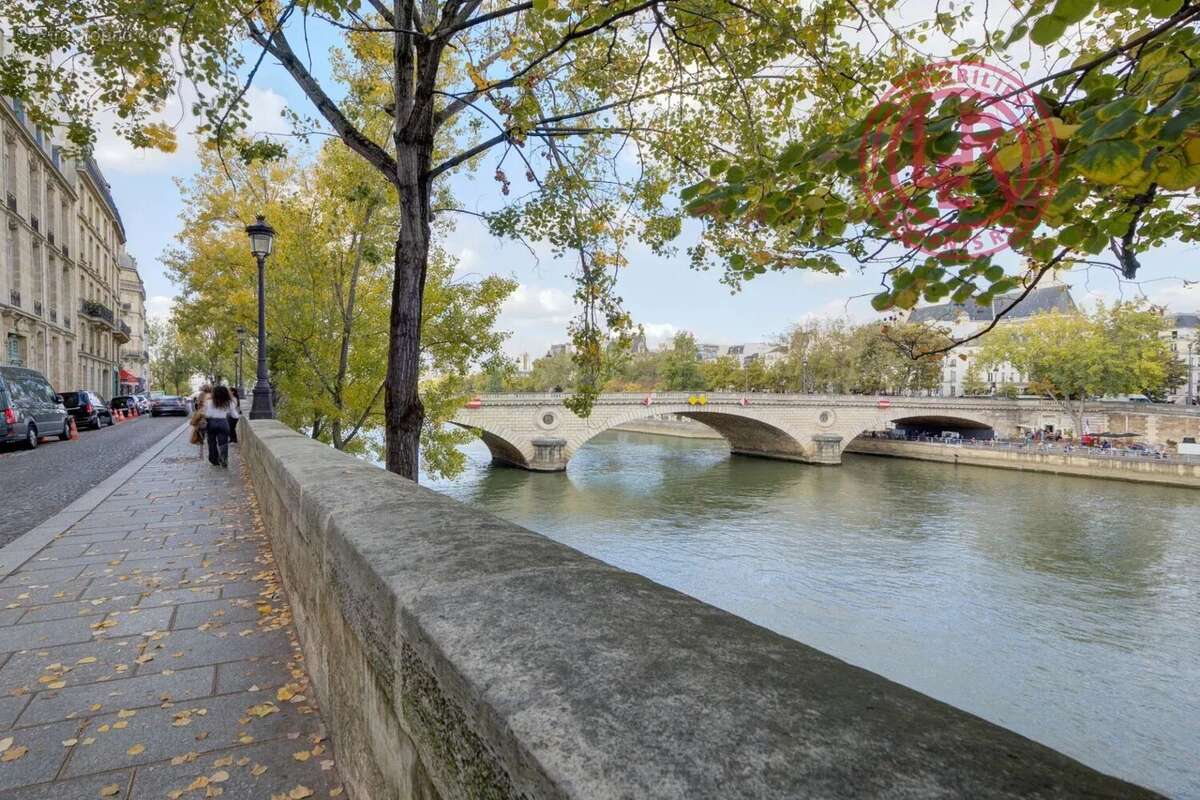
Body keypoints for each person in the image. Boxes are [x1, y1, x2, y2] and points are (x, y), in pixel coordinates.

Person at [204, 386, 238, 468]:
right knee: (223, 443)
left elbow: (206, 414)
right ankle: (224, 460)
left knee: (211, 442)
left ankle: (214, 460)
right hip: (223, 422)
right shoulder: (230, 403)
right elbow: (235, 416)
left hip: (211, 423)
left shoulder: (209, 402)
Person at [190, 384, 212, 458]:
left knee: (200, 433)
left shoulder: (201, 395)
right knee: (210, 434)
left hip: (202, 416)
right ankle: (210, 449)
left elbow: (197, 405)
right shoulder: (212, 395)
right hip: (210, 416)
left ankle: (201, 452)